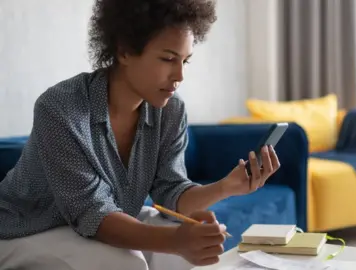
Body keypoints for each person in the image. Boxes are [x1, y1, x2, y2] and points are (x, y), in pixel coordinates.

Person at [0, 0, 281, 269]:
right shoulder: (61, 108)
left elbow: (172, 192)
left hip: (102, 220)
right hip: (26, 229)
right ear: (124, 51)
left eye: (186, 61)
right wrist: (176, 241)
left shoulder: (170, 110)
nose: (180, 75)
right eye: (168, 59)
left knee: (188, 248)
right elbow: (93, 214)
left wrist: (227, 187)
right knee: (123, 263)